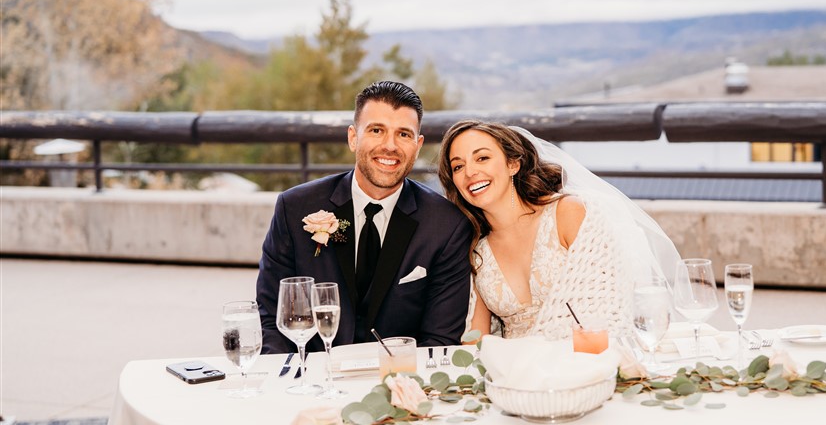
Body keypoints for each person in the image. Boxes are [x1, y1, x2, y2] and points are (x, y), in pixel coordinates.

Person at [257, 81, 473, 354]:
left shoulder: (447, 226)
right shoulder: (295, 207)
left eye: (404, 134)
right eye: (376, 130)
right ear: (353, 138)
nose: (390, 146)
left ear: (417, 146)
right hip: (311, 376)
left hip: (399, 380)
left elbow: (440, 340)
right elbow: (272, 316)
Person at [438, 120, 681, 340]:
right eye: (458, 167)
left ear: (513, 164)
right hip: (516, 378)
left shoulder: (568, 213)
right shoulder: (475, 250)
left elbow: (608, 308)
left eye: (482, 158)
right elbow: (478, 340)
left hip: (587, 360)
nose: (470, 173)